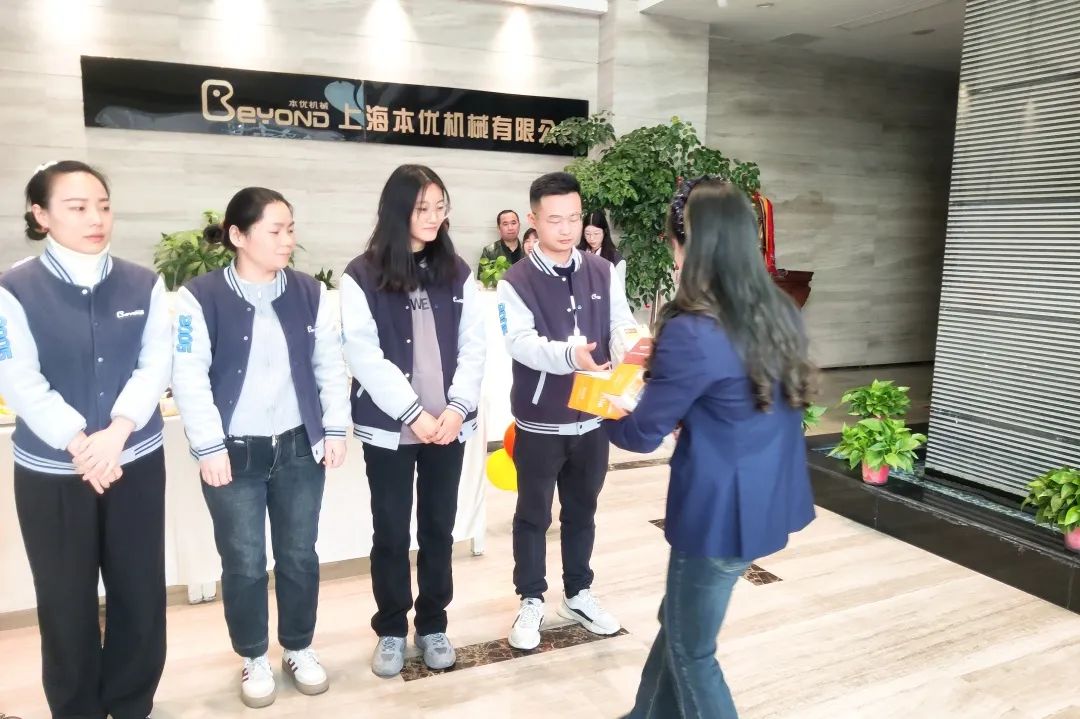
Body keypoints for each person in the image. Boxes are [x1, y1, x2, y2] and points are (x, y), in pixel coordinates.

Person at [606, 178, 816, 719]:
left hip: (719, 513)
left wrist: (603, 404)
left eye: (673, 245)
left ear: (690, 246)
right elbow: (744, 400)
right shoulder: (779, 309)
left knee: (692, 651)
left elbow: (640, 434)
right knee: (677, 623)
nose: (673, 258)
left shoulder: (695, 328)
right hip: (767, 495)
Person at [0, 160, 172, 719]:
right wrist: (80, 443)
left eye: (103, 205)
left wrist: (117, 432)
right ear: (41, 215)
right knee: (64, 598)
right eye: (77, 207)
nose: (96, 218)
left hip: (133, 460)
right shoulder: (13, 289)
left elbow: (155, 364)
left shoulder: (143, 282)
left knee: (139, 591)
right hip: (53, 472)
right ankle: (76, 708)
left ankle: (131, 701)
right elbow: (17, 378)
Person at [171, 187, 349, 709]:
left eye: (290, 229)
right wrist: (208, 446)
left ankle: (298, 646)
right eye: (275, 230)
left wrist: (334, 429)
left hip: (297, 448)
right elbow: (189, 376)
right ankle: (253, 655)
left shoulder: (310, 293)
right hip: (233, 453)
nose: (287, 240)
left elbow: (328, 366)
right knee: (244, 561)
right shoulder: (199, 297)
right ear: (238, 235)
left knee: (299, 555)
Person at [341, 164, 485, 677]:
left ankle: (433, 624)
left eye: (440, 207)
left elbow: (474, 345)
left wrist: (457, 407)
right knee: (390, 531)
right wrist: (412, 413)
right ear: (397, 209)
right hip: (391, 428)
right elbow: (363, 354)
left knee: (439, 528)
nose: (433, 217)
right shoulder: (361, 275)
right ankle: (390, 629)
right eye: (422, 208)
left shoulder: (457, 271)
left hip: (449, 426)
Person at [496, 171, 636, 650]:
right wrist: (569, 356)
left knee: (583, 510)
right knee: (533, 514)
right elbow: (520, 343)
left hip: (593, 417)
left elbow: (620, 322)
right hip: (540, 419)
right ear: (534, 219)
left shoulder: (602, 270)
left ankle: (578, 594)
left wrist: (629, 346)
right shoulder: (516, 280)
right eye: (555, 220)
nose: (567, 228)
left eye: (574, 218)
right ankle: (531, 598)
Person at [579, 210, 626, 282]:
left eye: (596, 233)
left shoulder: (615, 259)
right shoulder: (577, 253)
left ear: (605, 232)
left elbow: (619, 288)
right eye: (587, 234)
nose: (592, 238)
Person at [477, 209, 524, 274]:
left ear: (519, 225)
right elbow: (482, 278)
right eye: (505, 224)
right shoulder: (489, 251)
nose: (510, 228)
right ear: (498, 228)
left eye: (513, 223)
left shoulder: (528, 248)